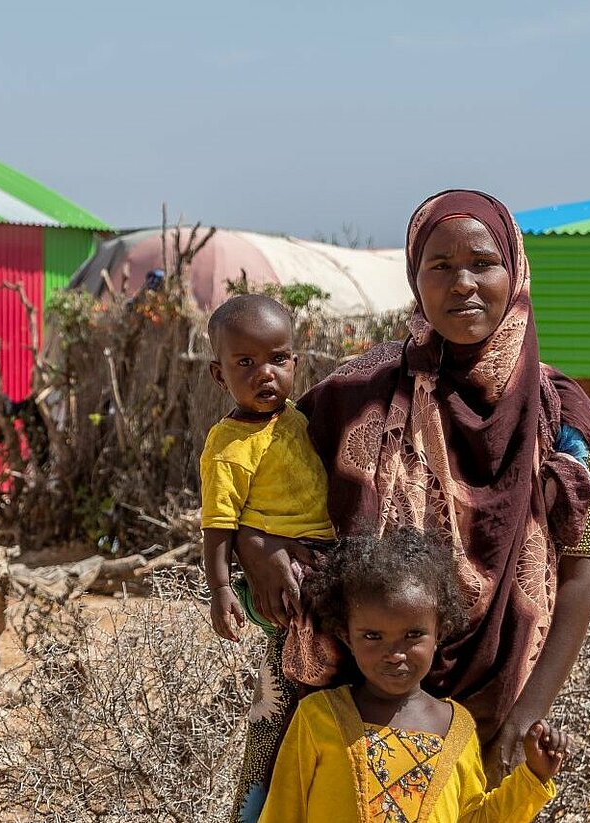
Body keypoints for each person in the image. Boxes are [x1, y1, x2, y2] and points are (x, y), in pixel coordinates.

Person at [232, 190, 590, 820]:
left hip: (492, 708)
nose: (462, 283)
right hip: (331, 702)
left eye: (482, 262)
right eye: (440, 265)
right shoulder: (354, 395)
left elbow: (585, 569)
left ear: (514, 270)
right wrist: (257, 544)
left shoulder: (562, 417)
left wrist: (528, 714)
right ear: (415, 278)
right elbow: (259, 477)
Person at [258, 530, 568, 823]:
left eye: (413, 634)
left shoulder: (457, 729)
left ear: (440, 633)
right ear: (347, 637)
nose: (395, 653)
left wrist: (533, 778)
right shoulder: (318, 717)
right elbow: (283, 811)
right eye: (372, 636)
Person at [198, 294, 343, 818]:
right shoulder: (228, 445)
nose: (266, 374)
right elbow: (218, 525)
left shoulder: (302, 420)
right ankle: (265, 797)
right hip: (285, 579)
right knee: (292, 679)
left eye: (278, 359)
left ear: (295, 364)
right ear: (219, 375)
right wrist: (218, 591)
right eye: (245, 363)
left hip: (323, 556)